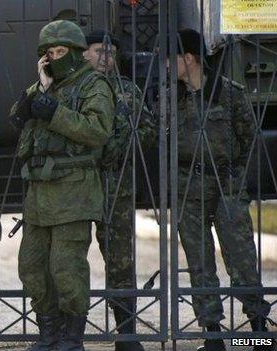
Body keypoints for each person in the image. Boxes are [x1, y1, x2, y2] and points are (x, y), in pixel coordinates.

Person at [10, 20, 115, 351]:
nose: (55, 58)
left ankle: (72, 338)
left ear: (77, 52)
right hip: (39, 195)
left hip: (73, 191)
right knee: (32, 268)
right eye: (49, 53)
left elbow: (98, 130)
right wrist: (40, 89)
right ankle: (49, 334)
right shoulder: (45, 84)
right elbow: (17, 117)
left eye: (60, 52)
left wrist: (56, 112)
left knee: (66, 270)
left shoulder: (92, 85)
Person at [170, 29, 274, 351]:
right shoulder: (171, 98)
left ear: (189, 58)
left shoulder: (230, 93)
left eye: (171, 59)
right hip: (189, 185)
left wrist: (235, 179)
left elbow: (247, 138)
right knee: (200, 263)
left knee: (241, 256)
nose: (167, 67)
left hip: (226, 184)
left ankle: (257, 329)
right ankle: (212, 334)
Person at [82, 30, 157, 351]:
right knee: (68, 261)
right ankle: (67, 332)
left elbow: (148, 129)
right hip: (77, 188)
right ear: (84, 53)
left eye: (111, 52)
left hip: (118, 191)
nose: (105, 57)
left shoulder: (128, 90)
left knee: (121, 262)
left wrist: (117, 146)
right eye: (99, 50)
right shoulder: (74, 90)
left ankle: (126, 331)